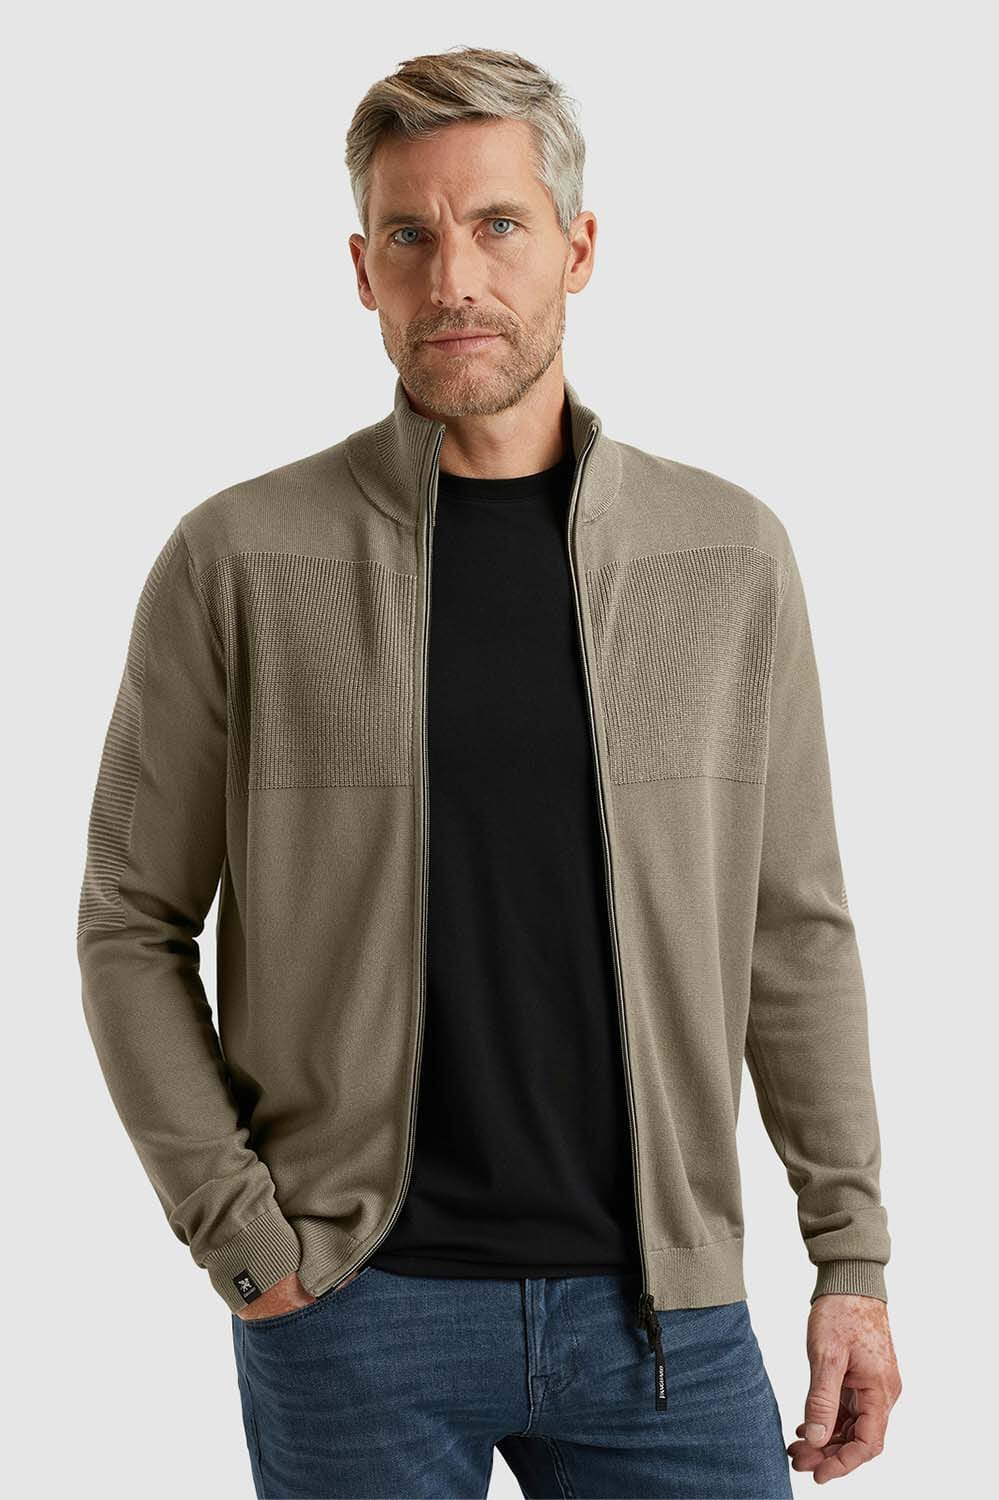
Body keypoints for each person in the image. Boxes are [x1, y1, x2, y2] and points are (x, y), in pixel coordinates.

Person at [77, 44, 901, 1500]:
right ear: (362, 269)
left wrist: (851, 1259)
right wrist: (244, 1240)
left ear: (578, 249)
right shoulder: (240, 560)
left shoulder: (725, 554)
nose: (452, 277)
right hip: (354, 1310)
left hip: (667, 1317)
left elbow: (795, 929)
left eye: (497, 224)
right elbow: (130, 919)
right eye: (409, 234)